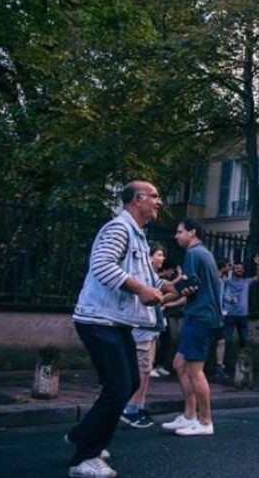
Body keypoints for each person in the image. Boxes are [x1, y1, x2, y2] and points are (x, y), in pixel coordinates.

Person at [66, 181, 189, 478]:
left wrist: (168, 287)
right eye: (155, 196)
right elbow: (102, 265)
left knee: (129, 382)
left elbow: (147, 277)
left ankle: (83, 434)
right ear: (137, 199)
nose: (159, 202)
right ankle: (85, 457)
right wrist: (139, 290)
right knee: (119, 386)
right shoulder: (118, 229)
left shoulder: (138, 234)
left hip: (115, 321)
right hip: (98, 319)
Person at [161, 218, 224, 437]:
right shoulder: (202, 254)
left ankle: (205, 421)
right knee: (179, 364)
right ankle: (189, 415)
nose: (176, 236)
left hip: (200, 317)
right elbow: (191, 288)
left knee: (195, 371)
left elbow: (187, 286)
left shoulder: (194, 254)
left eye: (180, 231)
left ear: (192, 232)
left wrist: (158, 295)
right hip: (198, 315)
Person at [119, 243, 171, 429]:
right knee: (141, 371)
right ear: (149, 256)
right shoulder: (143, 276)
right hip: (141, 330)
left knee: (146, 371)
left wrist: (176, 288)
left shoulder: (153, 276)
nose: (162, 258)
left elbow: (161, 297)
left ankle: (138, 406)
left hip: (151, 330)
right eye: (159, 254)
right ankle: (130, 409)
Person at [215, 256, 259, 380]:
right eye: (236, 268)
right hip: (229, 315)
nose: (239, 270)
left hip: (242, 315)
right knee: (227, 341)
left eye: (241, 269)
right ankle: (225, 366)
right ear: (232, 270)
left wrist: (258, 265)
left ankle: (243, 367)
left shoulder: (246, 281)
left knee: (244, 341)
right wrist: (228, 268)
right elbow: (218, 277)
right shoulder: (227, 281)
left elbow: (258, 277)